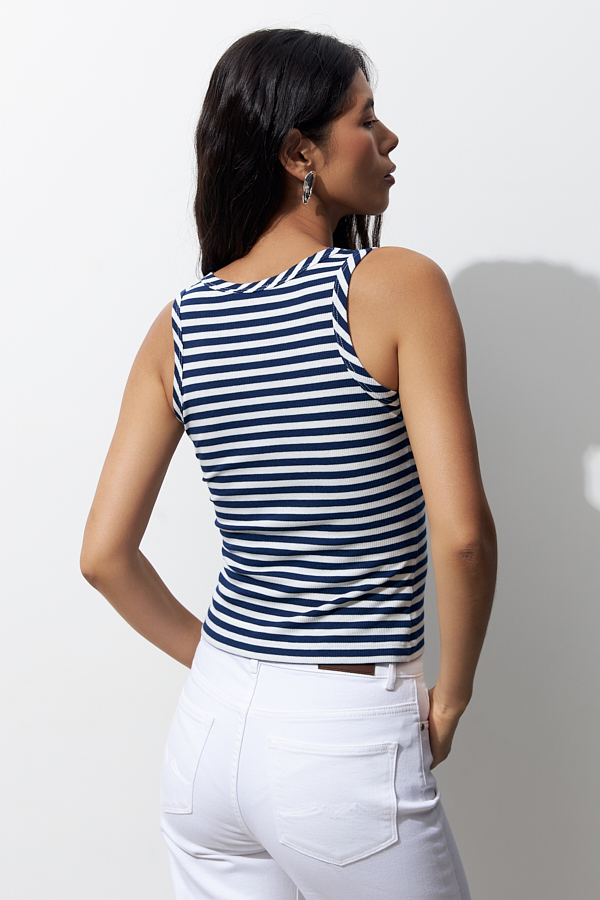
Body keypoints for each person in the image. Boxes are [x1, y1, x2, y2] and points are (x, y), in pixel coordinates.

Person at [81, 27, 497, 900]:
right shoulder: (394, 285)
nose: (388, 139)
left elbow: (104, 556)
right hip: (340, 740)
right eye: (366, 119)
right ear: (299, 152)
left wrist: (225, 669)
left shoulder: (180, 324)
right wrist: (452, 698)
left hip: (207, 740)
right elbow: (462, 536)